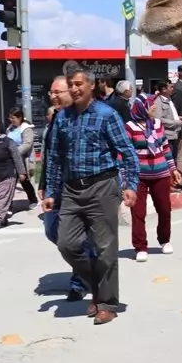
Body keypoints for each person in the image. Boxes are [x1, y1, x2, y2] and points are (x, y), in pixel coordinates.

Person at [42, 67, 139, 325]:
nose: (73, 89)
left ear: (91, 86)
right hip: (72, 190)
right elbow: (55, 158)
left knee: (106, 249)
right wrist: (51, 191)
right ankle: (97, 284)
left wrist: (131, 185)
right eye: (70, 85)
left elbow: (128, 152)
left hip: (103, 187)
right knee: (67, 243)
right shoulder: (63, 118)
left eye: (78, 84)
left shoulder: (107, 115)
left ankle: (106, 303)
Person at [39, 77, 92, 301]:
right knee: (53, 231)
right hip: (58, 189)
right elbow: (50, 156)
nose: (53, 96)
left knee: (76, 237)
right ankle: (90, 266)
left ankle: (80, 281)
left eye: (57, 92)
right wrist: (45, 185)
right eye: (51, 92)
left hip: (82, 188)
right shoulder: (56, 120)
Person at [125, 93, 180, 262]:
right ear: (142, 108)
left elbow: (165, 148)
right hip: (138, 176)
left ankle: (164, 240)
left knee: (164, 209)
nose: (154, 107)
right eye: (150, 105)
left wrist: (173, 169)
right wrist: (125, 180)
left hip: (161, 174)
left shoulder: (157, 124)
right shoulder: (129, 127)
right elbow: (126, 154)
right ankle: (140, 247)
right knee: (138, 213)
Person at [6, 107, 38, 206]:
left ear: (20, 118)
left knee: (24, 181)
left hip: (23, 159)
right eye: (10, 118)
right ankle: (8, 205)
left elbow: (27, 144)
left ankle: (33, 200)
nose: (11, 120)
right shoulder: (10, 128)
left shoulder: (26, 128)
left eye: (13, 118)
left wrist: (15, 152)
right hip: (10, 160)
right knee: (10, 181)